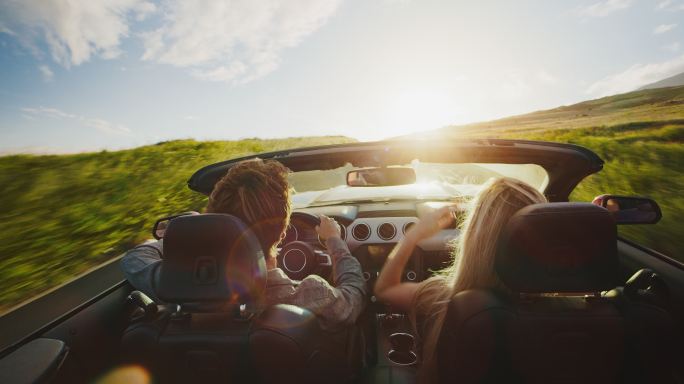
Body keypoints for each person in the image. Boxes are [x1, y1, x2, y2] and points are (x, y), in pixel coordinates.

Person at [121, 158, 366, 330]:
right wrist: (334, 240)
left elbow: (134, 259)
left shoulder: (175, 284)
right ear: (282, 233)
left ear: (212, 219)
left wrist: (191, 232)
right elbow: (354, 298)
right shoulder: (311, 294)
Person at [374, 177, 547, 382]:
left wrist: (414, 235)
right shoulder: (576, 311)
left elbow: (384, 289)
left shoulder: (444, 299)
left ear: (475, 236)